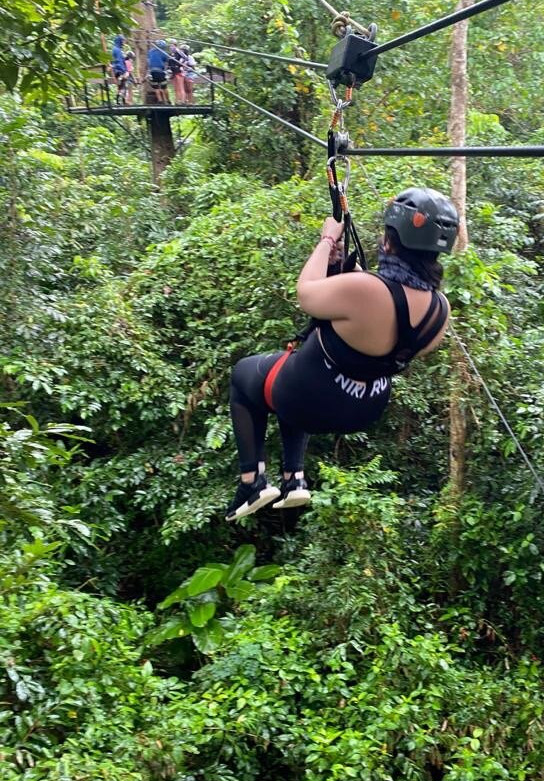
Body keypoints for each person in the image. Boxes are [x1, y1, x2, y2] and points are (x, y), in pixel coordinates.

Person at [226, 187, 458, 520]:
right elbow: (383, 316)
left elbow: (306, 293)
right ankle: (294, 479)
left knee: (245, 375)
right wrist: (351, 275)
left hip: (310, 395)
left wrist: (326, 241)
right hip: (365, 407)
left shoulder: (366, 290)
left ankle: (252, 481)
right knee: (293, 369)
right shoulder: (440, 309)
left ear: (390, 242)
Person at [147, 39, 170, 104]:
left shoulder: (150, 52)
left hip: (152, 71)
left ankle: (160, 101)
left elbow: (149, 61)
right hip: (160, 71)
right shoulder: (163, 52)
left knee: (156, 87)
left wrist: (149, 71)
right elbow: (166, 63)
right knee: (164, 87)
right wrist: (166, 71)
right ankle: (167, 101)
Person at [110, 35, 127, 104]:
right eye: (122, 41)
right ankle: (122, 100)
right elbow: (119, 61)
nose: (123, 42)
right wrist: (123, 71)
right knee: (123, 85)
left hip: (116, 70)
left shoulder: (115, 49)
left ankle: (118, 100)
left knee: (120, 86)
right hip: (119, 70)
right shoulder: (118, 50)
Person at [168, 39, 186, 104]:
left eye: (172, 46)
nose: (171, 47)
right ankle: (177, 101)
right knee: (176, 88)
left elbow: (185, 58)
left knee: (181, 87)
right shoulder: (171, 53)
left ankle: (183, 101)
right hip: (173, 72)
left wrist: (180, 65)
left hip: (179, 71)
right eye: (170, 46)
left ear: (175, 45)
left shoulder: (178, 51)